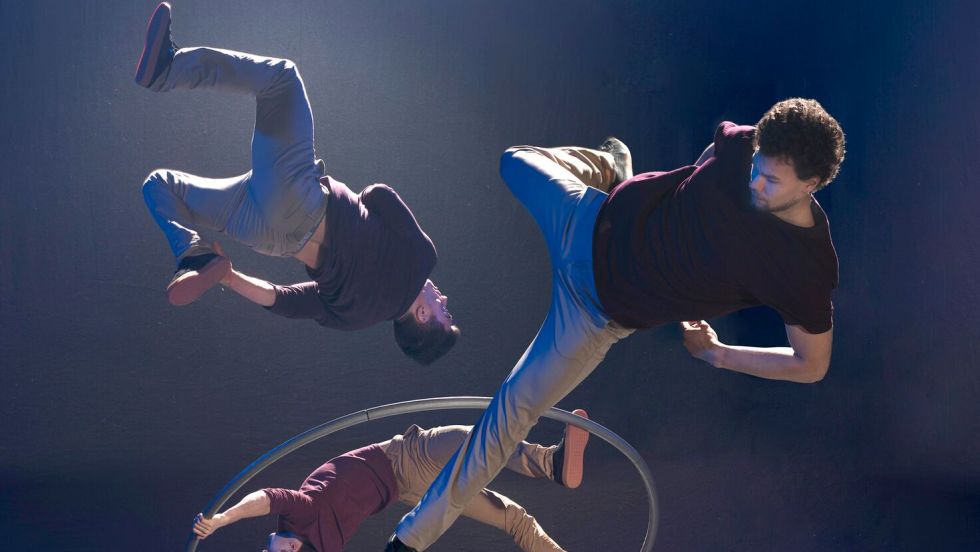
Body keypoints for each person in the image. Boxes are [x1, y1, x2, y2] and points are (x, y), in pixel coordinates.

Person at [386, 99, 845, 550]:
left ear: (812, 183)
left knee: (507, 417)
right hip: (585, 216)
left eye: (770, 180)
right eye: (756, 168)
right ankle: (611, 166)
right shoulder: (744, 146)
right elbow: (708, 160)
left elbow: (811, 364)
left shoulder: (804, 268)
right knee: (514, 161)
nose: (754, 182)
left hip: (591, 315)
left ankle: (409, 540)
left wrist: (717, 354)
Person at [134, 3, 458, 364]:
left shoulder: (422, 258)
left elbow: (378, 194)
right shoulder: (355, 319)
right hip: (268, 238)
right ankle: (193, 254)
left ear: (423, 315)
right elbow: (282, 299)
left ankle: (168, 69)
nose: (444, 299)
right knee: (160, 185)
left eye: (444, 312)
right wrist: (228, 277)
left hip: (301, 200)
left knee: (282, 78)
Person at [192, 410, 591, 552]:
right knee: (511, 515)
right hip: (412, 490)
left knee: (479, 438)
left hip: (407, 456)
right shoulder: (319, 544)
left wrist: (223, 519)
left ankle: (550, 463)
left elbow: (266, 497)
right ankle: (550, 465)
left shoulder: (300, 512)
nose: (289, 550)